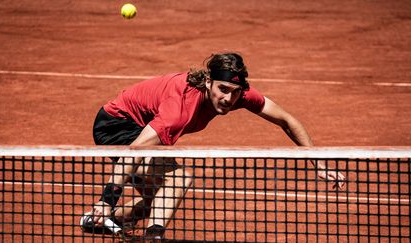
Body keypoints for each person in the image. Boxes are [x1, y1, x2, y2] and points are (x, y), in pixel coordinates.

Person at [80, 52, 346, 240]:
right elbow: (135, 151)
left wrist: (319, 163)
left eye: (234, 91)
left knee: (160, 199)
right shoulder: (179, 110)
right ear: (208, 82)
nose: (228, 98)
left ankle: (104, 220)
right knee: (178, 179)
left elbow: (287, 120)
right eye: (222, 89)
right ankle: (153, 235)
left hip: (140, 129)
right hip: (117, 126)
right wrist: (107, 197)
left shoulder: (238, 94)